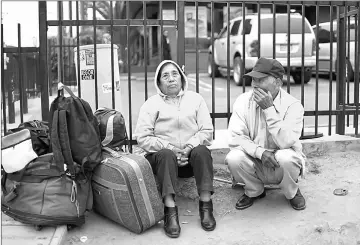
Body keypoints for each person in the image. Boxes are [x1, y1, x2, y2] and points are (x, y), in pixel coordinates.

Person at [135, 60, 216, 238]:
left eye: (174, 74)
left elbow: (207, 131)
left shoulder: (196, 100)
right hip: (162, 162)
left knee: (202, 151)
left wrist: (188, 147)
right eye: (165, 76)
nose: (171, 79)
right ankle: (170, 208)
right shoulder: (151, 104)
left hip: (190, 159)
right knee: (165, 154)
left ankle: (206, 204)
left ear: (181, 77)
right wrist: (170, 148)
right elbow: (142, 137)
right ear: (159, 82)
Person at [225, 57, 306, 211]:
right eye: (253, 79)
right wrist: (260, 153)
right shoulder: (243, 101)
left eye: (261, 79)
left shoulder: (293, 106)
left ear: (278, 82)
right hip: (255, 162)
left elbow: (286, 142)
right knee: (233, 157)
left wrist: (269, 109)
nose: (255, 84)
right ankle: (254, 191)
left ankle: (292, 191)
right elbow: (236, 137)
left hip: (281, 164)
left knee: (286, 157)